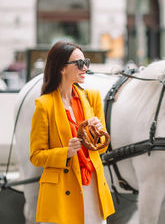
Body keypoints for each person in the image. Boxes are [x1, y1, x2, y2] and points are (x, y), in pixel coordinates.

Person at [30, 41, 115, 224]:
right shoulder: (44, 105)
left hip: (91, 186)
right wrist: (65, 152)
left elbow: (100, 149)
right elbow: (36, 156)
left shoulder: (92, 98)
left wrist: (97, 133)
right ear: (61, 68)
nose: (84, 68)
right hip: (61, 192)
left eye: (86, 62)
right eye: (79, 63)